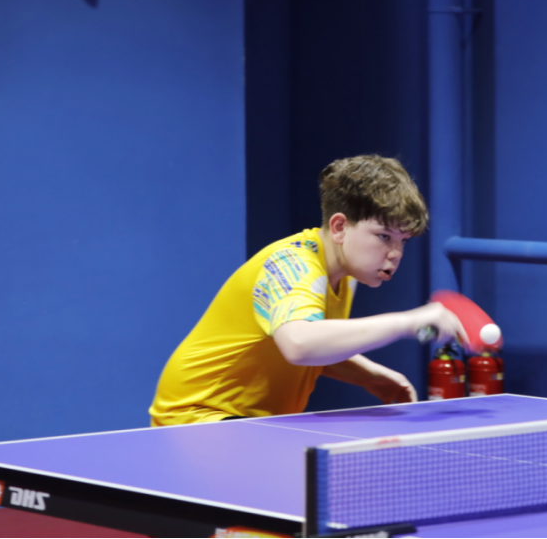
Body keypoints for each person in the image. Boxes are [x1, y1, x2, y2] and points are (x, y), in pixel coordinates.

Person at [149, 154, 465, 425]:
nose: (395, 253)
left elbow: (314, 341)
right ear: (340, 227)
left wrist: (368, 375)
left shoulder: (346, 275)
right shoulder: (293, 265)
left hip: (248, 422)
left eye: (403, 240)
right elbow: (299, 344)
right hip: (197, 417)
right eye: (384, 236)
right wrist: (408, 322)